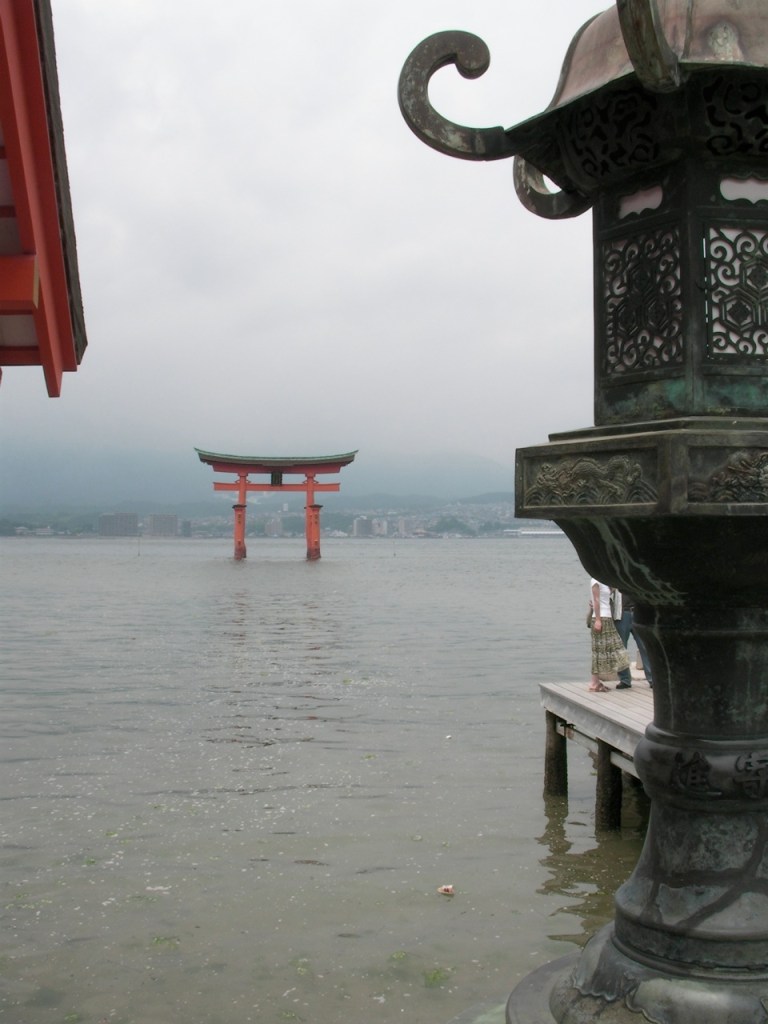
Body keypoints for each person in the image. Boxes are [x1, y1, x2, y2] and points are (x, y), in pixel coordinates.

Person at [588, 578, 631, 692]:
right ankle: (594, 682)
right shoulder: (595, 581)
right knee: (599, 650)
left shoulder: (604, 581)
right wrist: (598, 620)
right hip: (601, 618)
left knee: (609, 648)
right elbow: (596, 600)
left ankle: (596, 681)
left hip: (607, 617)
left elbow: (609, 594)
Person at [615, 591, 653, 688]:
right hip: (621, 613)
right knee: (620, 647)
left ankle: (652, 679)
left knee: (645, 646)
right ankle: (625, 679)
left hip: (638, 612)